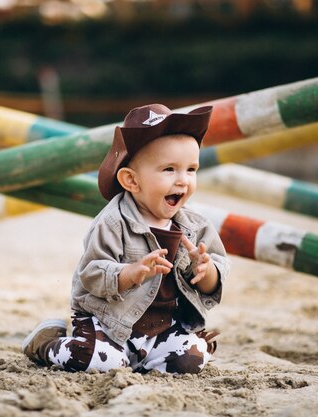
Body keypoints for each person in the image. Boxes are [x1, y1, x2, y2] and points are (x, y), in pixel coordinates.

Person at [22, 103, 230, 374]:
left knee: (189, 361)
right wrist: (128, 273)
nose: (183, 181)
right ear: (131, 181)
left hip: (163, 325)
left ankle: (142, 357)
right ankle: (46, 342)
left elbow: (217, 273)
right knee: (92, 362)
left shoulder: (196, 226)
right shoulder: (112, 222)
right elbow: (90, 272)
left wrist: (207, 271)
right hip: (108, 322)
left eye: (191, 169)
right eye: (169, 169)